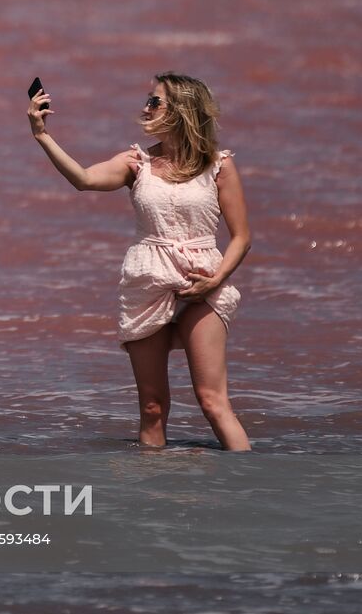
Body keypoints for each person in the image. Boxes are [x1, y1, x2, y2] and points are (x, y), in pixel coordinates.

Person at [28, 72, 252, 451]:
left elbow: (242, 237)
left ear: (181, 111)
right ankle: (151, 499)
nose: (145, 108)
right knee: (151, 407)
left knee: (212, 401)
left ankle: (249, 489)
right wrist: (42, 135)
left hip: (204, 283)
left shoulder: (218, 164)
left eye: (155, 102)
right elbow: (83, 179)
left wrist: (215, 280)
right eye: (148, 100)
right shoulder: (137, 162)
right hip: (147, 284)